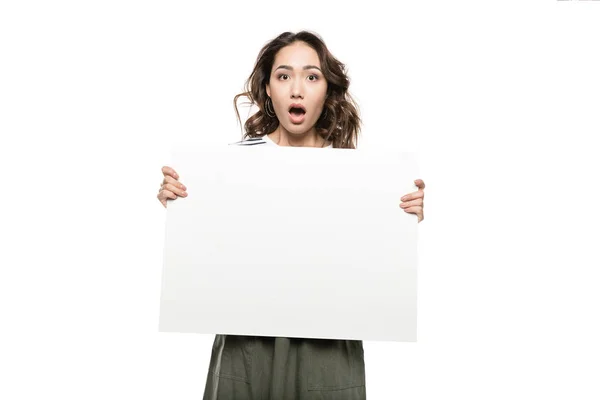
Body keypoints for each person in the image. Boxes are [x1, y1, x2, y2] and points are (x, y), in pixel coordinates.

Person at [157, 31, 425, 400]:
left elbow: (375, 267)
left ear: (327, 89)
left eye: (311, 76)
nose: (296, 89)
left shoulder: (362, 178)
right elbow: (207, 254)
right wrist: (183, 203)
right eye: (284, 76)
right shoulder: (228, 168)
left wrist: (405, 218)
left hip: (329, 350)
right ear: (268, 88)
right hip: (246, 348)